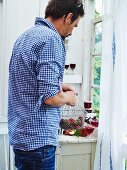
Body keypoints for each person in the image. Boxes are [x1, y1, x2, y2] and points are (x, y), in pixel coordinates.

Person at [8, 0, 84, 169]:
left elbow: (28, 79)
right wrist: (69, 98)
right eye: (75, 25)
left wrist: (58, 85)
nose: (72, 31)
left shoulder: (25, 36)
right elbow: (50, 99)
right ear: (68, 17)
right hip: (38, 141)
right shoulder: (51, 39)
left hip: (22, 137)